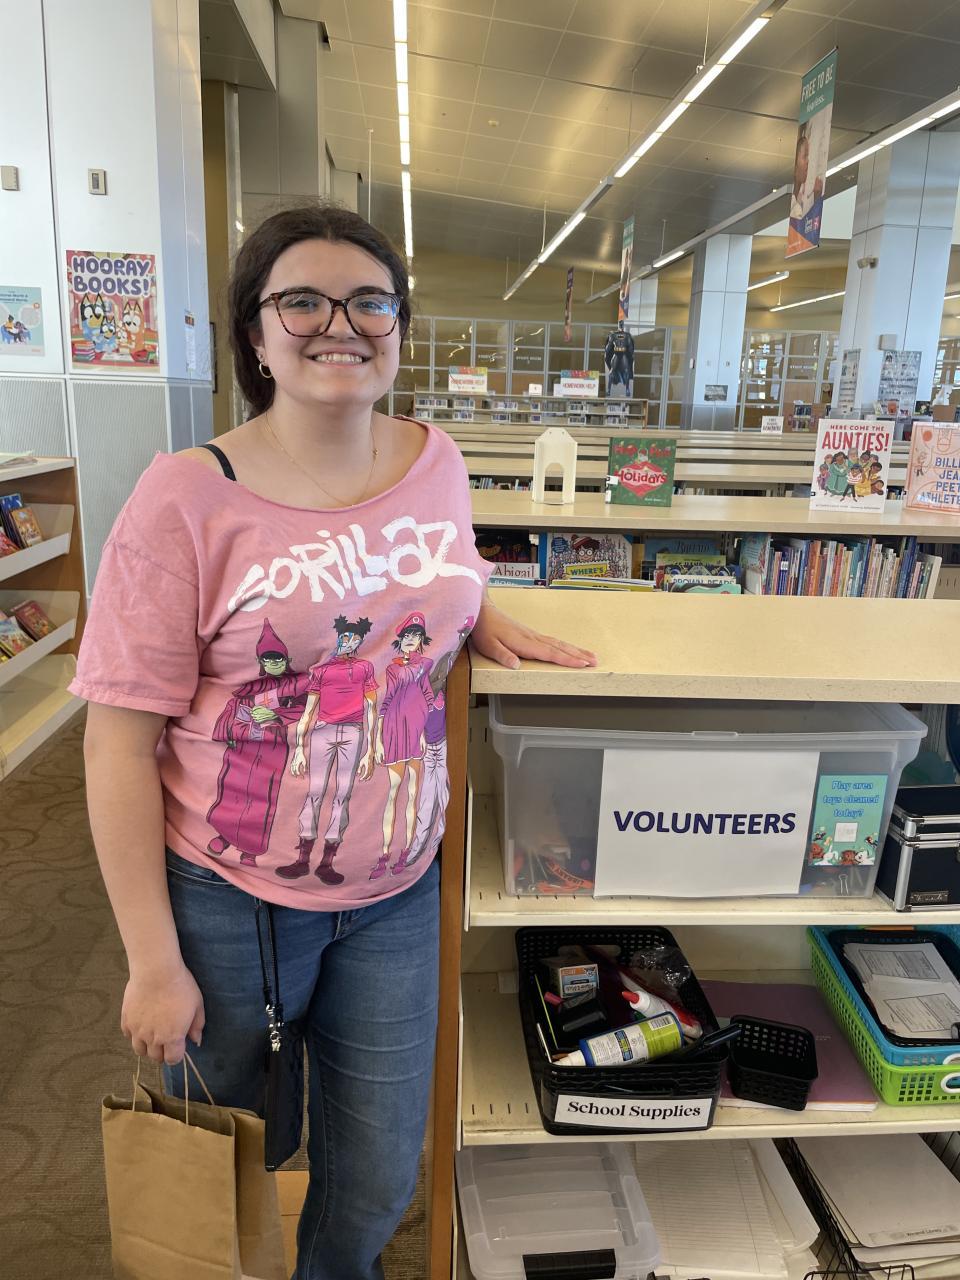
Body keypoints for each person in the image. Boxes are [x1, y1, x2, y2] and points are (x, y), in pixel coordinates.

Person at [72, 202, 596, 1280]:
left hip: (398, 892)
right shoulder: (185, 497)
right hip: (227, 899)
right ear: (255, 334)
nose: (339, 325)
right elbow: (116, 743)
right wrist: (152, 960)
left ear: (399, 326)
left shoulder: (436, 458)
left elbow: (442, 567)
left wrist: (475, 615)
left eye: (369, 302)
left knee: (375, 1177)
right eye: (302, 301)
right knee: (230, 1160)